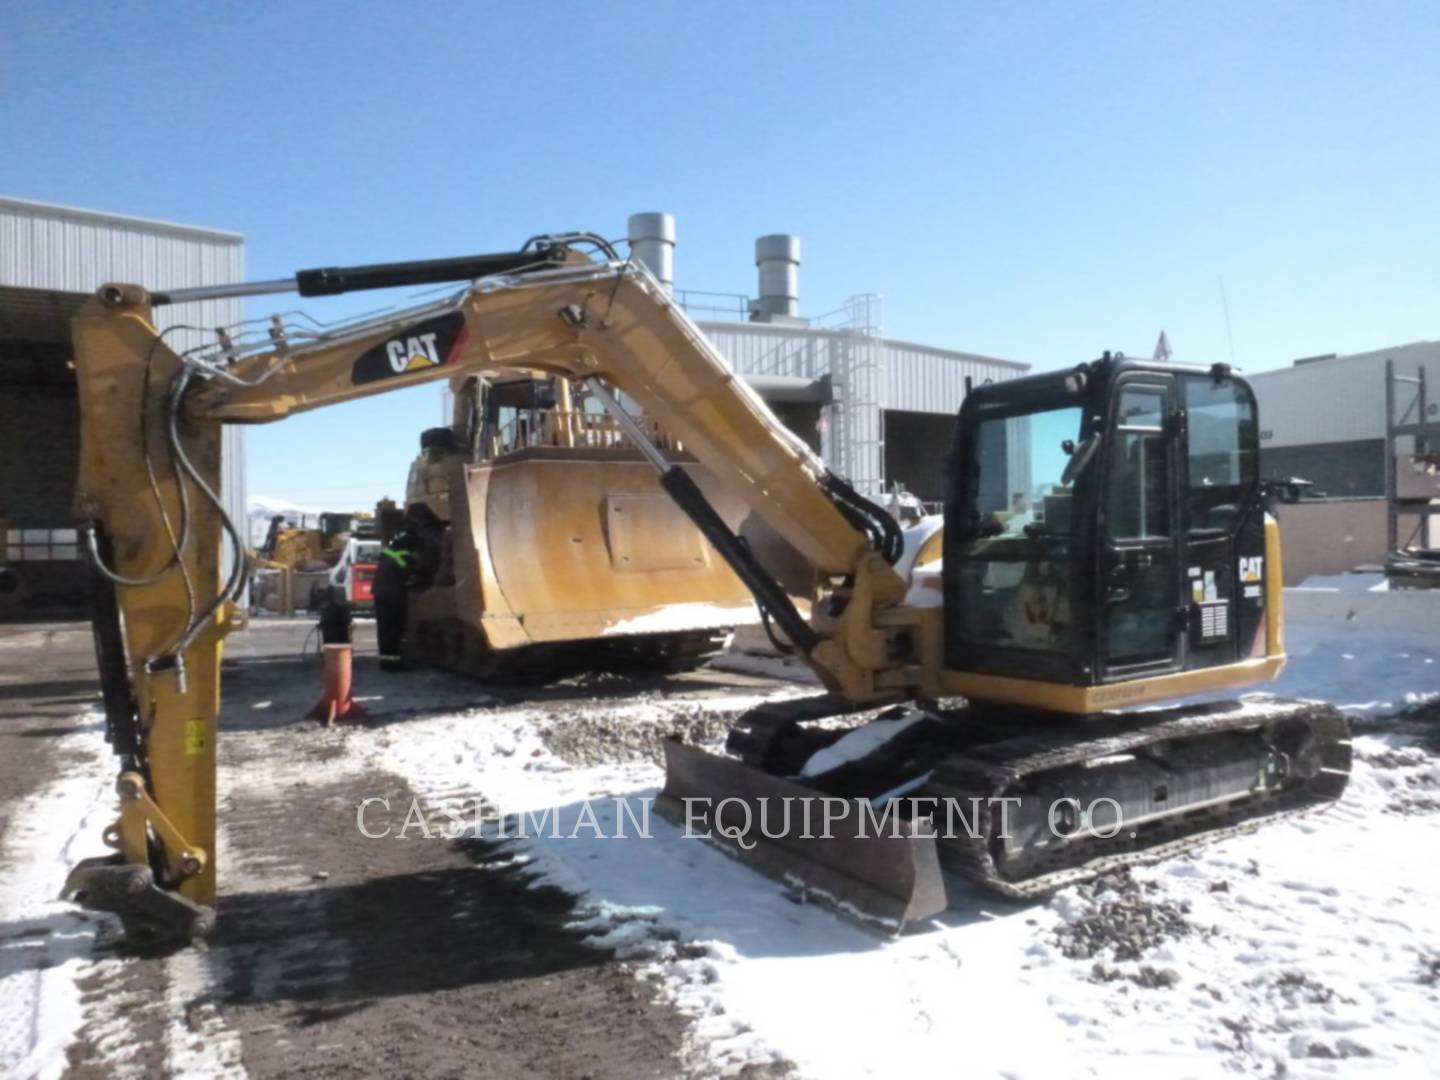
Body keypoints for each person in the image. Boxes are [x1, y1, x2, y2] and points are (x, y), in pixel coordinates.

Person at [374, 526, 418, 672]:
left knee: (384, 629)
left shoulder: (387, 552)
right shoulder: (403, 556)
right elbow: (409, 574)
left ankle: (386, 661)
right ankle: (393, 663)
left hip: (381, 595)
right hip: (393, 597)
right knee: (394, 630)